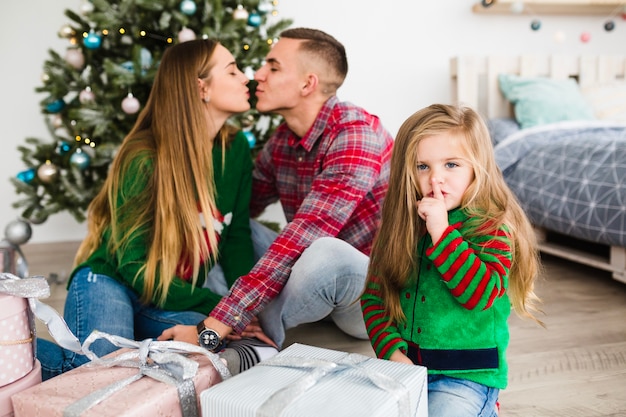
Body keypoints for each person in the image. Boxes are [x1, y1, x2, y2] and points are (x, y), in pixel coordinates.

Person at [37, 38, 277, 380]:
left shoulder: (234, 148)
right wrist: (222, 308)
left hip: (165, 296)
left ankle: (136, 345)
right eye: (233, 70)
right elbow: (133, 265)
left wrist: (241, 309)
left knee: (214, 343)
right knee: (105, 372)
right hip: (111, 281)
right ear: (201, 87)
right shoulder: (143, 156)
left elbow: (236, 237)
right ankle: (17, 353)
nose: (247, 78)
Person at [159, 28, 394, 350]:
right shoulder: (282, 142)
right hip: (309, 285)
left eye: (273, 67)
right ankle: (233, 320)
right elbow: (236, 210)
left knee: (325, 252)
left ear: (307, 84)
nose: (257, 75)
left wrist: (212, 326)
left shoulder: (355, 135)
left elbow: (305, 235)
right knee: (220, 226)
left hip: (373, 297)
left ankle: (246, 343)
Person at [360, 104, 543, 417]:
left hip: (467, 377)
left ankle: (486, 406)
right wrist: (391, 350)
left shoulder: (492, 227)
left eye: (451, 165)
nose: (436, 179)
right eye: (423, 167)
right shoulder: (402, 227)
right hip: (406, 369)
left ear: (476, 167)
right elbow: (374, 299)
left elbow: (481, 294)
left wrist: (442, 233)